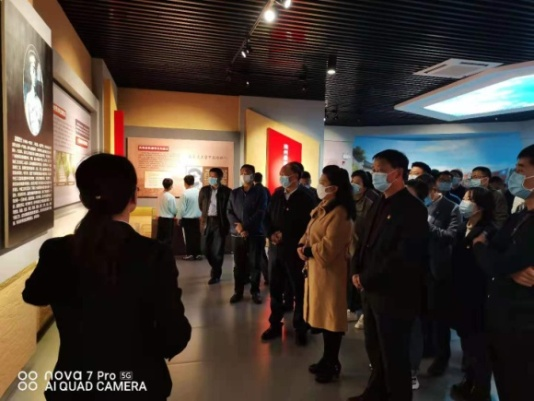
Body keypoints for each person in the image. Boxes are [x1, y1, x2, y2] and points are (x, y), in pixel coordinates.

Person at [22, 154, 191, 401]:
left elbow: (33, 294)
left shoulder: (56, 250)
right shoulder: (153, 254)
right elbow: (174, 333)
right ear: (133, 198)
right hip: (138, 384)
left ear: (83, 198)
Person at [350, 150, 429, 401]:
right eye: (373, 169)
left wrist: (367, 277)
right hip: (370, 289)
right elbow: (363, 241)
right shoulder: (379, 202)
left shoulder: (412, 208)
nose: (375, 174)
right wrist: (356, 270)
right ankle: (376, 392)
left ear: (397, 173)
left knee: (394, 354)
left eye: (380, 170)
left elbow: (402, 257)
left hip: (394, 294)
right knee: (375, 347)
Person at [472, 144, 534, 401]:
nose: (514, 175)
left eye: (521, 169)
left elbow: (495, 261)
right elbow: (498, 254)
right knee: (507, 384)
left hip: (523, 323)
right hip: (501, 319)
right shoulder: (519, 216)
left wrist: (480, 247)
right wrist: (507, 269)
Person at [298, 165, 354, 383]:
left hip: (331, 273)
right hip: (316, 271)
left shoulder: (341, 213)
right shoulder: (323, 207)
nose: (319, 186)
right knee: (322, 317)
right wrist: (301, 245)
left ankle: (332, 362)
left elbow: (330, 246)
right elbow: (309, 231)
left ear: (334, 187)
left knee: (331, 318)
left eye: (323, 183)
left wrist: (308, 251)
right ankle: (326, 358)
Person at [450, 187, 496, 401]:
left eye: (469, 199)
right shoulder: (463, 227)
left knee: (479, 346)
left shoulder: (489, 232)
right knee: (466, 342)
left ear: (481, 206)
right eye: (464, 198)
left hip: (478, 297)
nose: (464, 202)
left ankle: (481, 388)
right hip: (460, 294)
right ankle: (468, 380)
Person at [261, 162, 316, 345]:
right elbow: (266, 216)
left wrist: (287, 235)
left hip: (295, 252)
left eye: (285, 174)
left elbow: (310, 225)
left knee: (299, 290)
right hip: (276, 250)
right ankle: (275, 325)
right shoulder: (277, 194)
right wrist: (270, 233)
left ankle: (300, 327)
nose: (282, 177)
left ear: (296, 177)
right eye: (281, 174)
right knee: (275, 289)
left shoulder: (307, 197)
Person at [420, 174, 461, 381]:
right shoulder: (416, 206)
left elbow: (450, 236)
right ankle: (426, 347)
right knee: (422, 313)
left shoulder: (451, 208)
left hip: (438, 269)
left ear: (433, 189)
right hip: (417, 268)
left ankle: (442, 356)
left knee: (439, 317)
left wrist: (427, 226)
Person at [227, 164, 268, 304]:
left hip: (255, 233)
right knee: (239, 265)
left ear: (253, 175)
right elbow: (229, 212)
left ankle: (255, 291)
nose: (244, 175)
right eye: (242, 173)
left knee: (255, 264)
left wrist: (245, 226)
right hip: (237, 234)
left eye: (247, 173)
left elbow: (261, 212)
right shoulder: (235, 193)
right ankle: (238, 292)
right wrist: (239, 228)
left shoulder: (260, 192)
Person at [348, 170, 375, 329]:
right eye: (352, 181)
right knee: (351, 280)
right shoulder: (349, 201)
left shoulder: (371, 202)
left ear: (365, 186)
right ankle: (352, 309)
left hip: (363, 248)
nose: (353, 185)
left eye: (357, 183)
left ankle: (366, 313)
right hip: (350, 247)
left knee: (363, 282)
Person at [198, 168, 232, 285]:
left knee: (217, 250)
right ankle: (215, 267)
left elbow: (229, 208)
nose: (212, 179)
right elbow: (201, 205)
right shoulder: (204, 190)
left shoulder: (227, 191)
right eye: (210, 176)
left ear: (220, 178)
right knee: (204, 249)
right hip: (207, 222)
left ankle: (216, 274)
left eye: (214, 176)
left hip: (219, 222)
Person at [177, 175, 202, 261]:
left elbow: (181, 208)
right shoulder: (199, 192)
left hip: (187, 219)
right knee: (197, 236)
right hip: (197, 219)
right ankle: (198, 254)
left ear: (185, 183)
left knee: (188, 237)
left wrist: (178, 218)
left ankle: (190, 254)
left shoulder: (185, 193)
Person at [253, 172, 270, 285]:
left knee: (256, 252)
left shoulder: (253, 190)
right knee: (261, 252)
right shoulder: (266, 190)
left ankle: (254, 276)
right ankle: (267, 276)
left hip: (254, 226)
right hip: (263, 225)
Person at [156, 178, 177, 247]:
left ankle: (160, 253)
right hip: (168, 220)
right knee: (168, 239)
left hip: (160, 219)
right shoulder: (171, 197)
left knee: (160, 238)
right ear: (171, 186)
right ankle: (167, 253)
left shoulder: (159, 195)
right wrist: (176, 214)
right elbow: (173, 210)